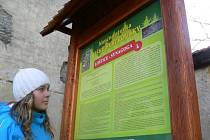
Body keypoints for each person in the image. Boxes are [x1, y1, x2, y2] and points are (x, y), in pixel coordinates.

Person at [0, 68, 54, 140]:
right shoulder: (10, 126)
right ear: (27, 95)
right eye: (41, 89)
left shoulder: (42, 123)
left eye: (48, 89)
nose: (48, 94)